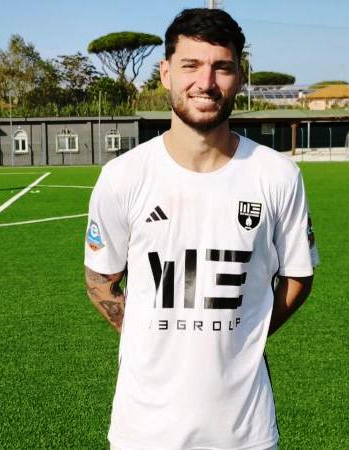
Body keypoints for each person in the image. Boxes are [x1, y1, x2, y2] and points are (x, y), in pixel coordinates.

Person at [84, 8, 319, 450]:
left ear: (239, 77)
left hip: (244, 432)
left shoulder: (278, 175)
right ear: (165, 73)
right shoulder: (122, 177)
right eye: (190, 65)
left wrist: (244, 335)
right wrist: (151, 335)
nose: (205, 82)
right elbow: (100, 280)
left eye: (222, 67)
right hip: (143, 431)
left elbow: (298, 276)